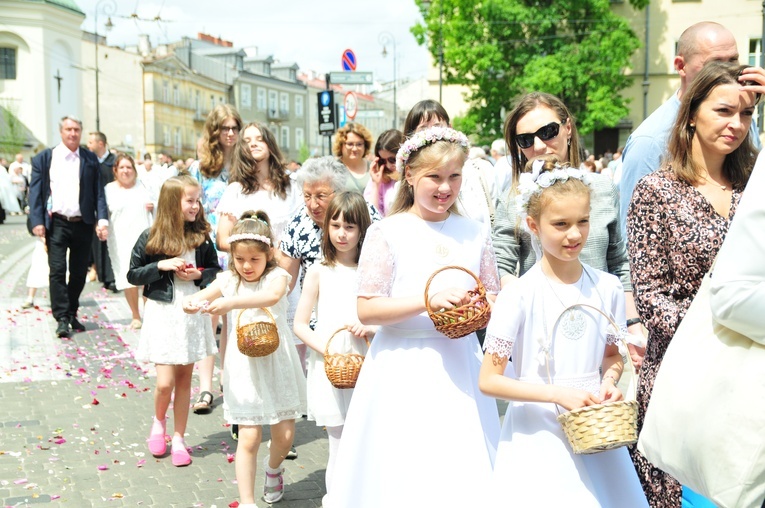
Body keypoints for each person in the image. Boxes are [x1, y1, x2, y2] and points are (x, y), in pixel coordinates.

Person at [324, 127, 501, 507]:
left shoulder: (474, 232)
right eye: (434, 177)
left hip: (461, 365)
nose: (445, 187)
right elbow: (368, 308)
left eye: (454, 176)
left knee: (457, 466)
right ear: (409, 176)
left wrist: (482, 306)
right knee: (402, 468)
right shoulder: (389, 232)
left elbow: (493, 296)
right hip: (400, 365)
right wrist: (427, 300)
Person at [479, 156, 647, 506]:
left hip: (594, 428)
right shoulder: (519, 294)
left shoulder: (608, 287)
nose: (575, 234)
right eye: (561, 224)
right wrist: (557, 394)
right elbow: (489, 380)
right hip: (537, 431)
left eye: (583, 221)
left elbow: (612, 356)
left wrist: (607, 384)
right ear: (533, 225)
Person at [627, 61, 759, 507]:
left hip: (750, 368)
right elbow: (650, 294)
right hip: (685, 372)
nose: (736, 124)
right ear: (691, 114)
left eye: (747, 114)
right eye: (723, 111)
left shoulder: (754, 188)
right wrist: (711, 330)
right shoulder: (657, 191)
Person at [492, 92, 645, 368]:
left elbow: (619, 263)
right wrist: (517, 304)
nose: (539, 146)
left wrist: (632, 324)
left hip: (597, 328)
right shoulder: (516, 196)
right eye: (525, 140)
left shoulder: (602, 188)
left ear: (567, 128)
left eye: (548, 132)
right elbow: (502, 263)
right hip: (543, 335)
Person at [182, 211, 306, 507]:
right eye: (240, 260)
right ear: (232, 258)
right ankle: (247, 501)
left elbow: (272, 297)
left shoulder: (278, 276)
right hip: (244, 367)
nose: (247, 266)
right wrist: (191, 303)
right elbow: (206, 295)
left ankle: (273, 468)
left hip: (278, 363)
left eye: (254, 259)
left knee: (285, 434)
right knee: (248, 438)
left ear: (268, 255)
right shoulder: (228, 280)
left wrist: (232, 302)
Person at [618, 21, 763, 238]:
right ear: (680, 66)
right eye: (714, 63)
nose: (727, 70)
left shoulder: (742, 120)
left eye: (733, 60)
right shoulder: (651, 140)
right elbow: (632, 240)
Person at [126, 174, 221, 466]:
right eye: (190, 200)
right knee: (164, 382)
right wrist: (160, 265)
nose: (196, 206)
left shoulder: (201, 235)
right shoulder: (151, 237)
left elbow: (214, 269)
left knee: (183, 382)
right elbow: (133, 274)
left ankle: (179, 437)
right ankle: (158, 423)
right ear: (172, 202)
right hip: (163, 312)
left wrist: (198, 275)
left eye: (197, 200)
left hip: (190, 311)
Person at [215, 121, 302, 419]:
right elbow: (223, 237)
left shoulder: (290, 186)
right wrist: (258, 248)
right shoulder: (237, 190)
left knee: (285, 336)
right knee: (242, 333)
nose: (253, 143)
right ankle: (242, 409)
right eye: (247, 139)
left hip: (285, 271)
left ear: (270, 142)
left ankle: (283, 413)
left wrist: (281, 255)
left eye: (259, 138)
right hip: (248, 272)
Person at [293, 192, 374, 504]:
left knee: (364, 439)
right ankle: (337, 500)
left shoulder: (370, 273)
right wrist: (326, 348)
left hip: (365, 362)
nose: (342, 233)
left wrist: (371, 326)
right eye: (336, 225)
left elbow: (385, 321)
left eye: (350, 227)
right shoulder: (318, 271)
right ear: (326, 227)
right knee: (338, 440)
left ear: (362, 230)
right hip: (330, 367)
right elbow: (300, 324)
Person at [28, 115, 108, 338]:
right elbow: (35, 192)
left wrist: (102, 219)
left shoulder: (90, 158)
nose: (73, 133)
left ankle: (71, 310)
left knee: (80, 271)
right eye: (68, 129)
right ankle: (62, 317)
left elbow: (98, 193)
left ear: (81, 132)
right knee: (57, 270)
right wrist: (37, 221)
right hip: (57, 223)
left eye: (76, 129)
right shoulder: (46, 158)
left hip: (82, 223)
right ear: (61, 131)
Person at [187, 104, 243, 415]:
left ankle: (229, 380)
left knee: (233, 320)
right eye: (225, 128)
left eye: (235, 127)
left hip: (238, 252)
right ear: (214, 131)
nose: (231, 133)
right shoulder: (201, 168)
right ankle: (205, 387)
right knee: (208, 319)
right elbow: (189, 207)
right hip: (208, 251)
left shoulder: (246, 166)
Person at [403, 100, 496, 232]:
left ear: (450, 128)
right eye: (423, 129)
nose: (432, 135)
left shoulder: (480, 170)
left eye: (437, 126)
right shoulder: (406, 183)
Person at [105, 154, 154, 329]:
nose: (126, 171)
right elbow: (103, 214)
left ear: (134, 170)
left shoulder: (144, 186)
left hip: (145, 237)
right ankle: (135, 315)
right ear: (115, 171)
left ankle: (150, 313)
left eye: (129, 167)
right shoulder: (108, 189)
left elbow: (159, 204)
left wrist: (153, 205)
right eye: (122, 168)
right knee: (128, 277)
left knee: (148, 276)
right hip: (120, 238)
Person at [87, 131, 117, 292]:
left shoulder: (114, 162)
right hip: (95, 209)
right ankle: (103, 276)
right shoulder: (90, 161)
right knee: (98, 243)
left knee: (111, 242)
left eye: (90, 142)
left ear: (100, 144)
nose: (88, 145)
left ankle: (112, 277)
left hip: (112, 208)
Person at [363, 129, 403, 216]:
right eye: (383, 161)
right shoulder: (380, 178)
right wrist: (376, 185)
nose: (388, 165)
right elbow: (372, 215)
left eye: (392, 159)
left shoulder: (413, 177)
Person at [333, 122, 374, 194]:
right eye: (350, 144)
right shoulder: (333, 169)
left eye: (359, 144)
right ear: (341, 145)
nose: (354, 149)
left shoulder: (373, 168)